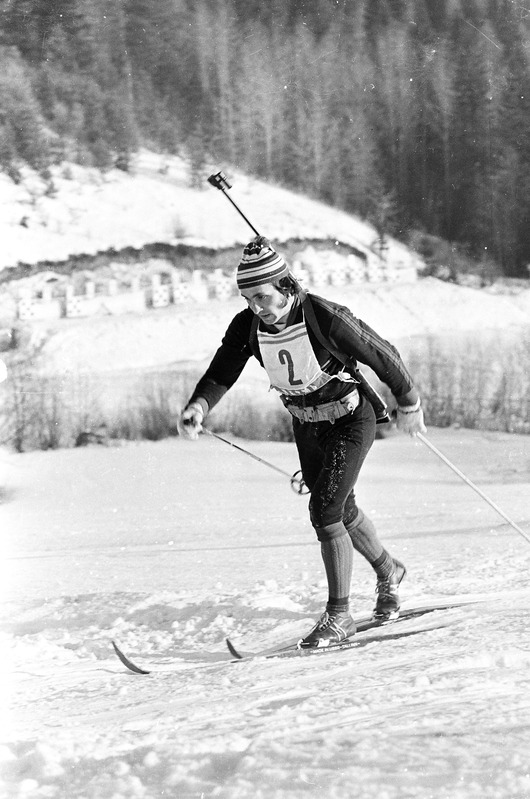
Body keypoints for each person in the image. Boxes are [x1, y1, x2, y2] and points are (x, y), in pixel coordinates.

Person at [178, 237, 426, 648]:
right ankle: (388, 571)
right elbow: (224, 369)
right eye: (248, 297)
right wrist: (200, 405)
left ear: (286, 287)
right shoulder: (248, 326)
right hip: (307, 425)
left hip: (350, 418)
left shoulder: (325, 317)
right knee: (341, 509)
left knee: (324, 510)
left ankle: (339, 616)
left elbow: (383, 355)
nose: (257, 306)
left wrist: (409, 402)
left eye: (262, 296)